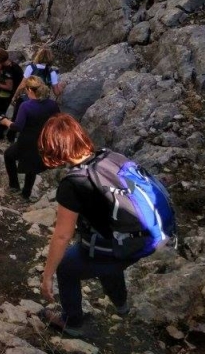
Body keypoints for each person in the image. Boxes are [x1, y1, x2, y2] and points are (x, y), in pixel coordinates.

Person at [37, 114, 137, 337]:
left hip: (113, 245)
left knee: (66, 267)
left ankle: (71, 322)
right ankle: (122, 306)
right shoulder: (110, 156)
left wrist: (47, 276)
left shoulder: (73, 183)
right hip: (140, 240)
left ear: (55, 148)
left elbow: (62, 236)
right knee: (108, 263)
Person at [0, 76, 59, 201]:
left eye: (26, 89)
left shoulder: (26, 106)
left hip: (27, 140)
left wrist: (5, 121)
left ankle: (14, 185)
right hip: (43, 140)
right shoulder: (52, 104)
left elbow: (18, 126)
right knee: (32, 167)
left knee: (9, 155)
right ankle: (26, 193)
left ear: (30, 90)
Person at [0, 49, 24, 142]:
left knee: (0, 112)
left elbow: (9, 87)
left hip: (7, 95)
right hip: (6, 94)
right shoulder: (11, 64)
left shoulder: (8, 71)